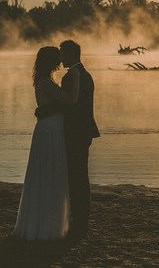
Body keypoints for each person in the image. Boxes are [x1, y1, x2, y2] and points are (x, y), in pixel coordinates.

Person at [13, 46, 79, 240]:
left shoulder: (41, 81)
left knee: (44, 173)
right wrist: (75, 78)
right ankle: (48, 226)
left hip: (46, 127)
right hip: (50, 129)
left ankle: (42, 222)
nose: (60, 62)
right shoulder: (47, 84)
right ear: (51, 62)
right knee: (50, 172)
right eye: (57, 59)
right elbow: (71, 100)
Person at [57, 40, 100, 239]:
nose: (60, 58)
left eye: (62, 54)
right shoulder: (85, 74)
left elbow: (69, 106)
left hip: (76, 132)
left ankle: (80, 220)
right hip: (83, 131)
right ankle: (82, 219)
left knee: (77, 176)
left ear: (72, 54)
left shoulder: (72, 77)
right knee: (79, 175)